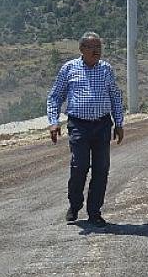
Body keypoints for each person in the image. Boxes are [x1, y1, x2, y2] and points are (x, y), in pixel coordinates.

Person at [47, 31, 124, 228]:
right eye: (92, 47)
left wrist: (119, 122)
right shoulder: (69, 69)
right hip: (78, 125)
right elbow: (55, 96)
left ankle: (94, 212)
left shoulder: (106, 69)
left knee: (101, 169)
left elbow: (115, 96)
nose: (96, 50)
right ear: (82, 49)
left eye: (99, 47)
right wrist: (53, 122)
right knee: (79, 166)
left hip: (102, 125)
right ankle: (74, 204)